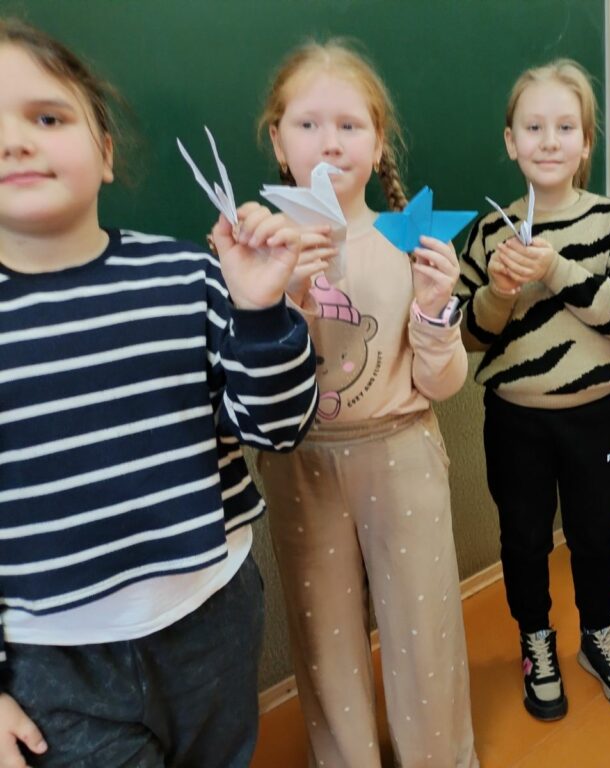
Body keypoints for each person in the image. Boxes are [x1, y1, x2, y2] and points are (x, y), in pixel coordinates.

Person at [0, 18, 319, 768]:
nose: (15, 143)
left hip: (213, 616)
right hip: (54, 664)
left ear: (107, 153)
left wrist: (260, 311)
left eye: (47, 118)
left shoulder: (189, 276)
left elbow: (278, 428)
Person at [253, 40, 477, 768]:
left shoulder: (408, 241)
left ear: (378, 141)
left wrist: (437, 310)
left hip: (401, 450)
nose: (330, 143)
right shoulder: (254, 249)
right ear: (278, 140)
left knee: (423, 623)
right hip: (302, 462)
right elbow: (248, 385)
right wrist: (279, 298)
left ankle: (438, 757)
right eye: (307, 124)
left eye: (350, 125)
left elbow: (443, 383)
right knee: (323, 633)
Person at [457, 59, 610, 721]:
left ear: (586, 142)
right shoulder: (489, 232)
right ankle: (535, 640)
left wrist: (558, 270)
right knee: (523, 539)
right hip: (514, 421)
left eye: (566, 127)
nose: (549, 140)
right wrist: (498, 291)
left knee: (596, 535)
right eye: (533, 127)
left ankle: (599, 633)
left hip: (595, 415)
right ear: (510, 141)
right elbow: (468, 334)